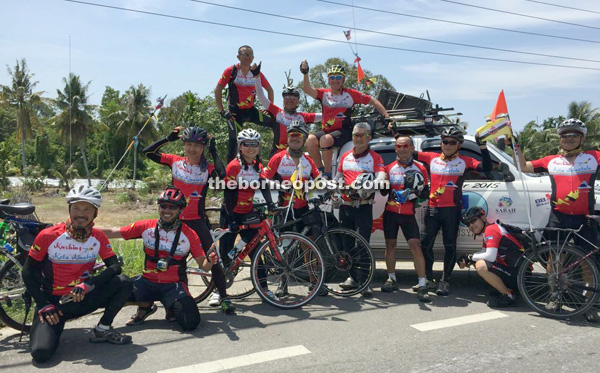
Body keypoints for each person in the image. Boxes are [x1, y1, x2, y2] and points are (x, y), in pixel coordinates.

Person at [22, 186, 133, 363]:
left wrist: (88, 284)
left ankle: (103, 328)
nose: (81, 214)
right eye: (76, 208)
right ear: (69, 210)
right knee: (41, 353)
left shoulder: (98, 236)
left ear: (95, 213)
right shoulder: (48, 236)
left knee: (124, 282)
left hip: (82, 297)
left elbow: (115, 267)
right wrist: (43, 304)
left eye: (87, 209)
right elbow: (27, 272)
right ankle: (51, 327)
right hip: (54, 304)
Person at [514, 118, 600, 321]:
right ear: (560, 139)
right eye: (565, 135)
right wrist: (515, 147)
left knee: (588, 262)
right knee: (554, 258)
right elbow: (524, 167)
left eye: (573, 135)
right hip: (558, 216)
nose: (568, 138)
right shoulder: (551, 160)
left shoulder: (593, 157)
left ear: (582, 138)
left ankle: (589, 303)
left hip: (584, 217)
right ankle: (555, 297)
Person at [142, 126, 234, 314]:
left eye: (197, 145)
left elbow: (222, 174)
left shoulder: (207, 169)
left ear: (203, 147)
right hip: (174, 222)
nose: (192, 149)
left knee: (212, 259)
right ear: (183, 145)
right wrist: (169, 138)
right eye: (188, 144)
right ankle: (180, 299)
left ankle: (224, 296)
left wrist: (214, 151)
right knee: (177, 262)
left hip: (197, 221)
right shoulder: (175, 162)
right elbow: (148, 152)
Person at [101, 186, 218, 331]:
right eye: (163, 206)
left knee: (190, 322)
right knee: (109, 295)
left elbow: (204, 266)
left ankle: (169, 307)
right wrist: (87, 229)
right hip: (146, 282)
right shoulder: (146, 226)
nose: (167, 210)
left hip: (173, 286)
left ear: (180, 210)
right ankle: (145, 306)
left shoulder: (190, 234)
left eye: (172, 207)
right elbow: (114, 232)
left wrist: (211, 260)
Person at [416, 127, 492, 296]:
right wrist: (396, 134)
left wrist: (483, 147)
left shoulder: (465, 161)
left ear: (459, 145)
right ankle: (428, 278)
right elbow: (406, 152)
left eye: (452, 142)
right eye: (445, 141)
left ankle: (445, 280)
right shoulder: (431, 158)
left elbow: (486, 168)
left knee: (449, 246)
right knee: (425, 244)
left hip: (451, 210)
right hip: (433, 209)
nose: (448, 145)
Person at [261, 121, 326, 296]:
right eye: (292, 135)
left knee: (309, 246)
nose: (295, 138)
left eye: (298, 135)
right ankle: (283, 283)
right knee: (285, 248)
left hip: (304, 208)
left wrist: (329, 188)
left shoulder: (308, 160)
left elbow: (319, 180)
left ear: (304, 138)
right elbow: (263, 179)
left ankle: (314, 283)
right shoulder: (278, 157)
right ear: (288, 139)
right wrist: (282, 186)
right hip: (285, 208)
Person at [300, 61, 390, 178]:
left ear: (343, 80)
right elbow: (307, 89)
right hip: (328, 130)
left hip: (344, 130)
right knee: (310, 139)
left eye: (338, 77)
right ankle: (320, 170)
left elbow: (373, 101)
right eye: (332, 77)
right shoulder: (324, 94)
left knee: (325, 140)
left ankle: (328, 174)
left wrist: (387, 116)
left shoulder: (350, 94)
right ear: (328, 80)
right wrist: (305, 73)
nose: (335, 80)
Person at [220, 128, 276, 297]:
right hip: (231, 213)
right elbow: (228, 194)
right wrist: (232, 219)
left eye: (255, 145)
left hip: (247, 212)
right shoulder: (234, 166)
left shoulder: (258, 166)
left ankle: (264, 289)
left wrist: (271, 204)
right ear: (240, 146)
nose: (251, 148)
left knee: (257, 251)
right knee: (225, 252)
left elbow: (264, 186)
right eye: (247, 144)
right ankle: (218, 290)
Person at [335, 122, 386, 296]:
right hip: (345, 206)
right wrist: (335, 189)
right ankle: (352, 278)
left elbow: (381, 177)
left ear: (369, 138)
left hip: (363, 207)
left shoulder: (375, 157)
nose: (359, 138)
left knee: (362, 245)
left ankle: (364, 282)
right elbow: (338, 177)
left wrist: (370, 187)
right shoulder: (345, 157)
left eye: (363, 135)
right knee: (347, 246)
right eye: (356, 135)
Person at [380, 135, 430, 302]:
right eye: (399, 146)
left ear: (412, 148)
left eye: (405, 145)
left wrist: (414, 194)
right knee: (390, 245)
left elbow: (426, 192)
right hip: (391, 213)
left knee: (415, 246)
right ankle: (391, 279)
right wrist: (388, 190)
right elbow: (383, 192)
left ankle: (422, 283)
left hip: (409, 214)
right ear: (395, 148)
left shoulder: (421, 168)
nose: (402, 149)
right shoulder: (388, 168)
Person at [215, 45, 275, 162]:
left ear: (253, 58)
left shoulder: (256, 72)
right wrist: (222, 110)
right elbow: (218, 89)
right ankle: (230, 174)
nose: (248, 57)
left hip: (250, 110)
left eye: (250, 55)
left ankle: (274, 160)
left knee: (276, 123)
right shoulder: (231, 71)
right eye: (245, 54)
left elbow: (270, 90)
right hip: (234, 113)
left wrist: (269, 109)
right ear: (238, 57)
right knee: (234, 141)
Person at [458, 207, 524, 308]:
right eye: (468, 224)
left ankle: (508, 296)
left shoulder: (491, 230)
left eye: (473, 220)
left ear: (483, 218)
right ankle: (508, 290)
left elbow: (490, 256)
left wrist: (470, 257)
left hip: (520, 274)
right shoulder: (488, 231)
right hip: (517, 272)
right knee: (478, 262)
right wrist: (467, 259)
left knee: (481, 265)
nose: (471, 226)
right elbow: (483, 252)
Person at [252, 63, 322, 156]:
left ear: (298, 101)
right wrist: (257, 77)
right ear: (283, 100)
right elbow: (261, 97)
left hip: (296, 156)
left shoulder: (303, 117)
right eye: (287, 98)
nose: (290, 100)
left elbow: (325, 115)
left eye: (293, 98)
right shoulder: (277, 112)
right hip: (277, 155)